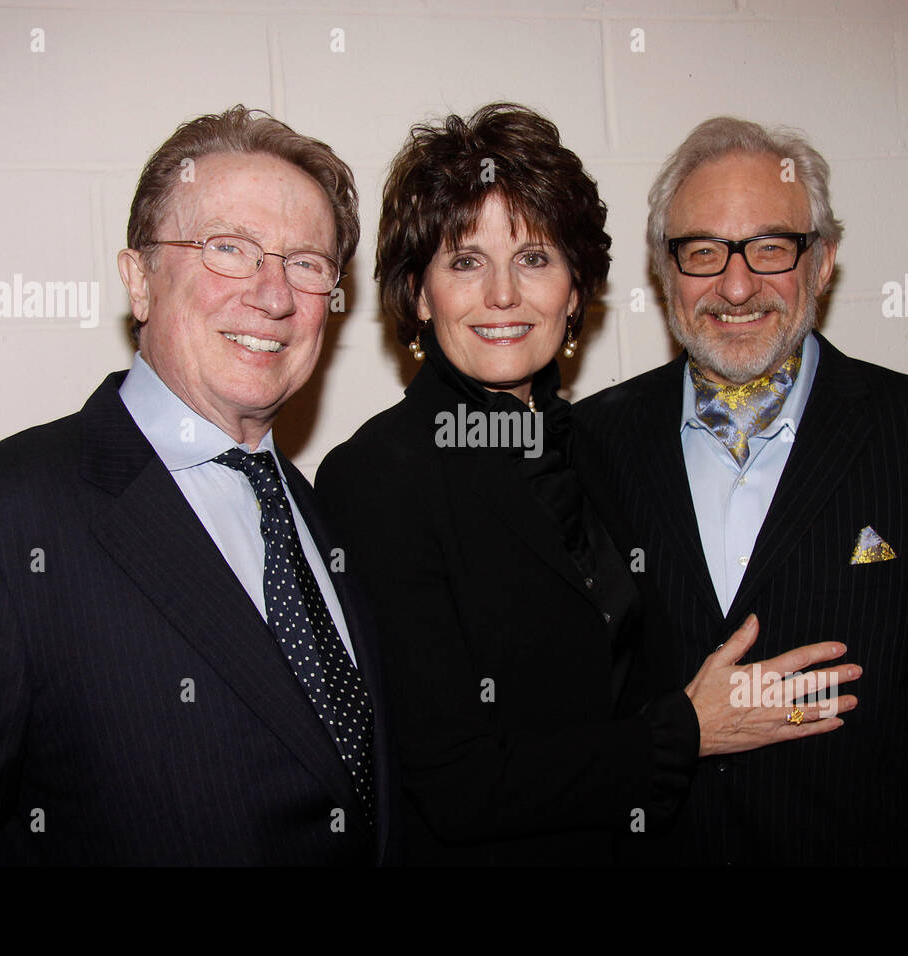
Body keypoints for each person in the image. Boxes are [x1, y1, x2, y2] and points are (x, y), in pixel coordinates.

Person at [0, 106, 393, 865]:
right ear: (138, 279)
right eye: (229, 248)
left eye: (306, 263)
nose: (272, 295)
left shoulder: (320, 514)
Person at [314, 103, 859, 865]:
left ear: (574, 292)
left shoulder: (601, 446)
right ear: (418, 294)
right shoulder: (376, 478)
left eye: (535, 258)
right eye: (465, 261)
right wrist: (687, 730)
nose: (503, 295)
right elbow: (454, 783)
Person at [573, 116, 908, 866]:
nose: (736, 286)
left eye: (772, 247)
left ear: (824, 261)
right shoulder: (589, 444)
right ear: (664, 270)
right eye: (702, 251)